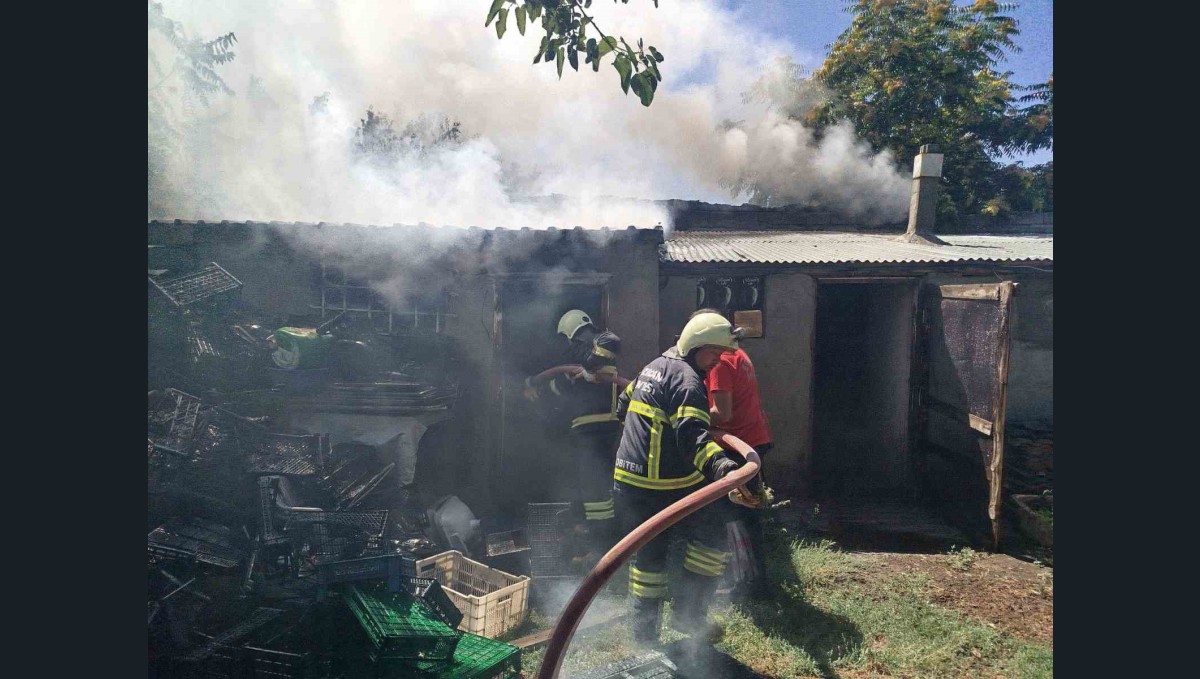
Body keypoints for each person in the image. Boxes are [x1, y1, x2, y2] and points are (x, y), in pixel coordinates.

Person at [612, 311, 764, 644]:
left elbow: (623, 405)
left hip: (629, 482)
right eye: (714, 353)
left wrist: (643, 439)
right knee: (711, 540)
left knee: (648, 558)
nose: (717, 361)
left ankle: (643, 635)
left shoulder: (654, 366)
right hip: (663, 485)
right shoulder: (688, 382)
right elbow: (693, 437)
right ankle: (689, 616)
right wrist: (727, 470)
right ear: (695, 346)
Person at [523, 309, 624, 563]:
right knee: (591, 483)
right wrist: (541, 386)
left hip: (591, 428)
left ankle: (600, 550)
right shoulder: (591, 350)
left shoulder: (586, 347)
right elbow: (566, 385)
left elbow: (610, 341)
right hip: (603, 427)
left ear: (569, 332)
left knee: (594, 488)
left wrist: (588, 367)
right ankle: (590, 538)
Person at [693, 308, 775, 598]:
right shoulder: (737, 354)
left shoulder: (720, 362)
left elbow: (723, 413)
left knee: (733, 516)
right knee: (747, 516)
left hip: (737, 449)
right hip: (752, 440)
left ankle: (746, 584)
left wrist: (689, 416)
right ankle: (754, 582)